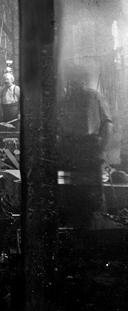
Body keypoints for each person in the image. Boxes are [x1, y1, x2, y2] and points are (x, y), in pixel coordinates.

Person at [57, 65, 113, 228]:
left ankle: (91, 229)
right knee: (69, 196)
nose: (72, 83)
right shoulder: (64, 100)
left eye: (74, 79)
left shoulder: (95, 97)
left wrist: (101, 150)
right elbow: (58, 127)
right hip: (69, 154)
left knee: (90, 200)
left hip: (89, 153)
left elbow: (107, 125)